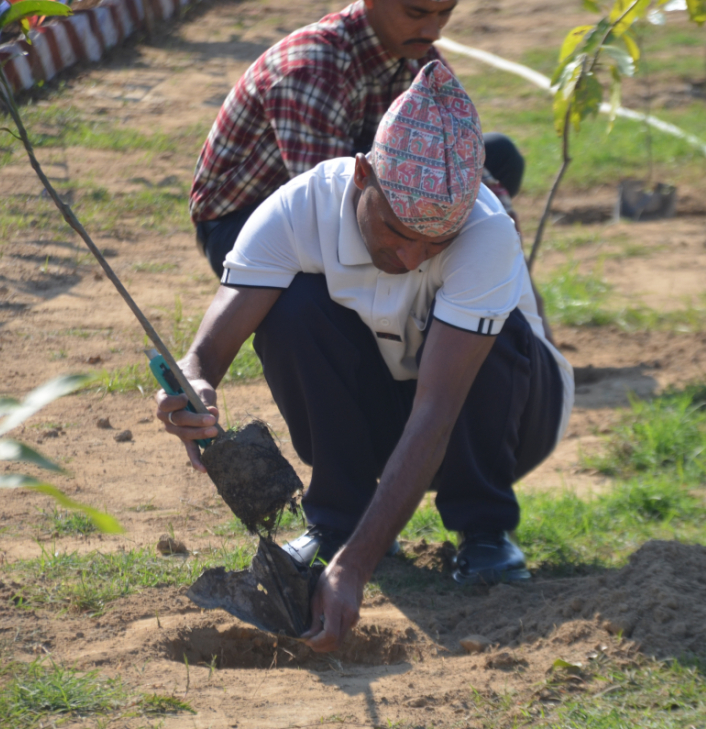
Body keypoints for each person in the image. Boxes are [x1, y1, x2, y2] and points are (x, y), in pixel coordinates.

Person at [159, 62, 573, 652]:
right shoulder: (300, 209)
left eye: (434, 244)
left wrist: (353, 573)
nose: (409, 258)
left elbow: (436, 414)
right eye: (395, 230)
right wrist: (189, 390)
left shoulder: (486, 233)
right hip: (391, 409)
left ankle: (484, 530)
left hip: (513, 416)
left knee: (495, 332)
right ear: (362, 176)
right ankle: (338, 520)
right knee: (293, 309)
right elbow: (205, 355)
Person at [189, 0, 526, 280]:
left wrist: (506, 245)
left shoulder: (417, 53)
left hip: (347, 186)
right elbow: (326, 207)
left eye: (445, 12)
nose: (433, 30)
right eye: (416, 13)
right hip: (244, 222)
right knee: (319, 298)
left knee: (497, 157)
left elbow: (463, 161)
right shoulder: (313, 70)